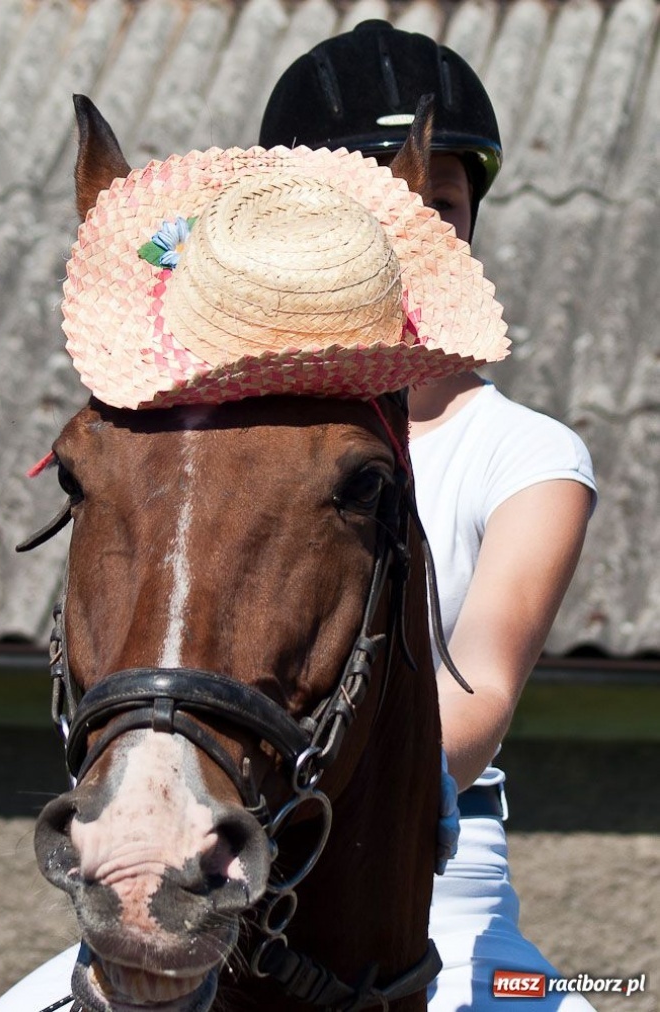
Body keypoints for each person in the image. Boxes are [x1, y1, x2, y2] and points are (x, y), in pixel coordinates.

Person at [260, 20, 597, 1011]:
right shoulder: (235, 439)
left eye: (441, 205)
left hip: (426, 855)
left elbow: (481, 685)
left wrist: (305, 790)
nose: (413, 238)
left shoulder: (531, 454)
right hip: (227, 852)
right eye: (376, 209)